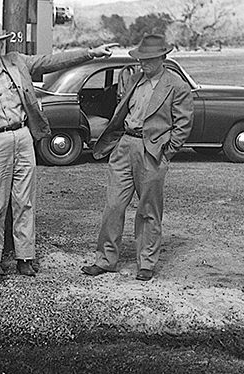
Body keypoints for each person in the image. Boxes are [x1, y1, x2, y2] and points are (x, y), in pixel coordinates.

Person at [0, 20, 116, 277]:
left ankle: (24, 257)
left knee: (24, 200)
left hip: (23, 135)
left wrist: (90, 53)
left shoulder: (16, 62)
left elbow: (52, 61)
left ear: (2, 44)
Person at [82, 34, 193, 281]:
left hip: (152, 150)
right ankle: (105, 260)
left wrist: (166, 152)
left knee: (149, 210)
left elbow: (183, 125)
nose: (142, 63)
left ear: (162, 58)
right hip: (125, 145)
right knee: (113, 206)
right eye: (140, 58)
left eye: (148, 59)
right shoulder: (134, 78)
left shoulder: (177, 86)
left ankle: (146, 263)